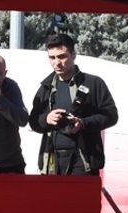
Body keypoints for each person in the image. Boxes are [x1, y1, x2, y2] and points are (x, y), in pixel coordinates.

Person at [28, 33, 118, 175]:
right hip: (52, 162)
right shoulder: (46, 87)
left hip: (84, 162)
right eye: (52, 57)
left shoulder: (94, 83)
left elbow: (111, 115)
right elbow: (33, 122)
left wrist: (83, 123)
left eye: (62, 56)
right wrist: (47, 119)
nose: (57, 62)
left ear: (73, 55)